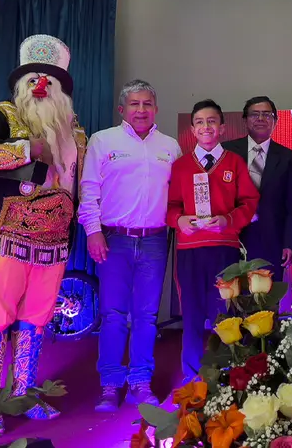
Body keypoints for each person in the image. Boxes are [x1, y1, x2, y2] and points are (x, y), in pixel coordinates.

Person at [0, 35, 87, 422]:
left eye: (49, 79)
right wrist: (26, 151)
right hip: (8, 235)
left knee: (36, 320)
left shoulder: (76, 132)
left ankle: (22, 395)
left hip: (54, 240)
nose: (40, 85)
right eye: (32, 78)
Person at [78, 80, 181, 412]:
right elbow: (88, 190)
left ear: (156, 109)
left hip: (155, 240)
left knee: (146, 315)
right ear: (122, 109)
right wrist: (93, 232)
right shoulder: (103, 141)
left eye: (147, 104)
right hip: (114, 239)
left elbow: (179, 197)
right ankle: (110, 385)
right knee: (113, 315)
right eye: (134, 104)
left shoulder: (170, 147)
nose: (141, 110)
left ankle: (140, 381)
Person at [167, 99, 259, 382]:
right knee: (192, 314)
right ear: (192, 130)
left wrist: (227, 221)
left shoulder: (235, 163)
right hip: (190, 251)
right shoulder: (181, 166)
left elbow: (249, 202)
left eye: (211, 121)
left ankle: (227, 376)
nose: (205, 127)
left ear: (222, 128)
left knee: (225, 314)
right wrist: (179, 220)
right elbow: (170, 206)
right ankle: (193, 378)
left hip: (224, 250)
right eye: (199, 122)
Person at [222, 96, 292, 278]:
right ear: (245, 120)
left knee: (267, 293)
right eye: (254, 114)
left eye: (267, 114)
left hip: (271, 240)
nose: (260, 119)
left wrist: (290, 243)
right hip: (232, 238)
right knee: (231, 292)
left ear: (275, 121)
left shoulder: (287, 157)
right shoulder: (227, 151)